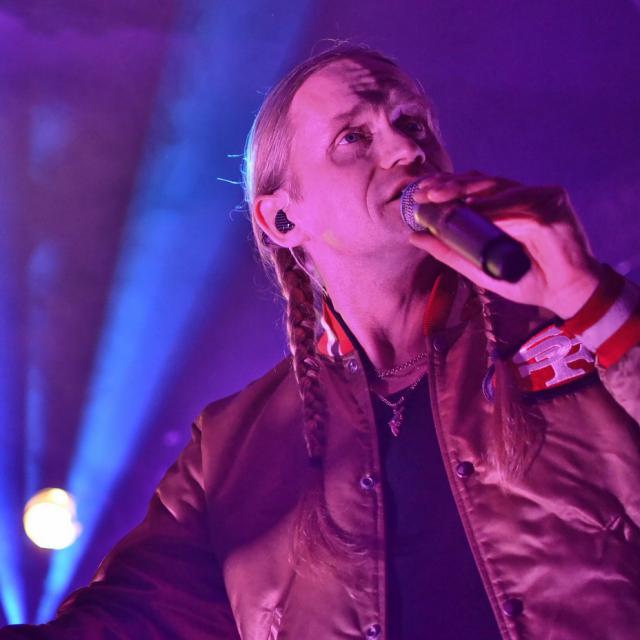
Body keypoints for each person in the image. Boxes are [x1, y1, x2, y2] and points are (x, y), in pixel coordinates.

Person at [2, 44, 639, 640]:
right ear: (282, 217)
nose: (405, 149)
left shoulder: (582, 328)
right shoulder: (230, 449)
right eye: (354, 137)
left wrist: (588, 298)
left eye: (412, 124)